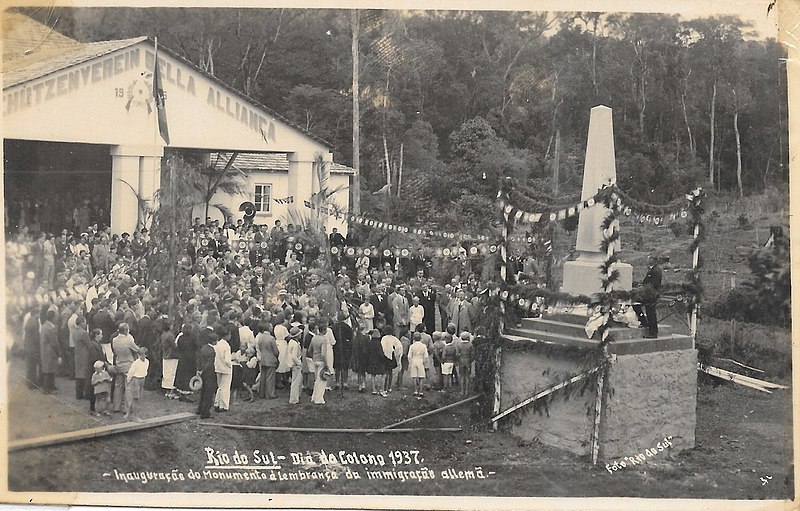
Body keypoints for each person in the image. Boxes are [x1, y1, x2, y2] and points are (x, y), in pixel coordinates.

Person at [111, 322, 140, 413]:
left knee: (118, 386)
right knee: (128, 387)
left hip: (119, 363)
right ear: (126, 330)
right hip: (128, 364)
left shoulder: (114, 340)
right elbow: (137, 349)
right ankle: (127, 408)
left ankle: (116, 406)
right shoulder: (128, 340)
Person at [633, 254, 663, 338]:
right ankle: (644, 322)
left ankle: (653, 332)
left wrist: (644, 288)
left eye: (649, 259)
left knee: (651, 313)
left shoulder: (656, 270)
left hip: (651, 294)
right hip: (648, 293)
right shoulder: (652, 269)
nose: (647, 260)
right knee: (637, 305)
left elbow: (654, 284)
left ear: (653, 260)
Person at [196, 327, 219, 419]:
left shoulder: (203, 348)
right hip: (209, 373)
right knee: (209, 393)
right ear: (214, 341)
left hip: (203, 372)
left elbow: (199, 360)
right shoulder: (212, 351)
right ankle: (205, 413)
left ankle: (200, 409)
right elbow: (210, 364)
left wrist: (199, 370)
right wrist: (204, 370)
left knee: (203, 392)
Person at [125, 347, 149, 421]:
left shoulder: (147, 361)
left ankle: (128, 414)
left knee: (137, 398)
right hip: (135, 380)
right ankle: (136, 417)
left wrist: (143, 378)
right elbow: (130, 373)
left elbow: (145, 370)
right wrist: (128, 381)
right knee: (136, 399)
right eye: (140, 355)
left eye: (143, 355)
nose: (141, 356)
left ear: (146, 355)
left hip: (142, 379)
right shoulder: (135, 363)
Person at [256, 322, 279, 399]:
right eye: (271, 327)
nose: (272, 328)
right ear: (268, 328)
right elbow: (275, 351)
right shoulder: (271, 338)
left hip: (263, 359)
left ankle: (261, 393)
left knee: (263, 377)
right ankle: (270, 394)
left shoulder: (260, 338)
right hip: (271, 359)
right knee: (270, 378)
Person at [39, 309, 60, 392]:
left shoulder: (45, 325)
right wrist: (58, 352)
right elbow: (54, 342)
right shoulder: (50, 328)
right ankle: (47, 387)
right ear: (52, 318)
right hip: (50, 351)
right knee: (49, 369)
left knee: (50, 368)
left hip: (45, 350)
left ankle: (51, 385)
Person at [308, 323, 329, 405]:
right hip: (321, 361)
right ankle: (319, 398)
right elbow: (323, 354)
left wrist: (313, 357)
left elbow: (309, 350)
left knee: (317, 380)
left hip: (315, 360)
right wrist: (326, 364)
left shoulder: (314, 337)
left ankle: (314, 397)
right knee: (322, 381)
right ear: (323, 330)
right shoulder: (324, 339)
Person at [214, 326, 233, 412]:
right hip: (225, 369)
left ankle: (217, 403)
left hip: (218, 367)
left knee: (220, 387)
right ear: (226, 335)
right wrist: (230, 365)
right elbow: (227, 360)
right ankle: (224, 406)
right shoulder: (226, 346)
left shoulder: (218, 344)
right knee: (225, 387)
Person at [160, 322, 179, 399]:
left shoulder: (163, 334)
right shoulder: (170, 335)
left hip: (165, 355)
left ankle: (167, 391)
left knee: (166, 373)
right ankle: (171, 391)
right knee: (172, 373)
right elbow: (174, 346)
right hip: (172, 356)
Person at [286, 327, 303, 404]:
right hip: (295, 364)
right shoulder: (295, 344)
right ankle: (294, 399)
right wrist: (299, 363)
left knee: (295, 381)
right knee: (295, 382)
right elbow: (294, 356)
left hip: (292, 364)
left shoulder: (292, 342)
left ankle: (296, 397)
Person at [408, 332, 428, 398]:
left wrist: (410, 362)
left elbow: (409, 356)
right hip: (420, 360)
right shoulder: (423, 346)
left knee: (414, 376)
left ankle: (415, 390)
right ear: (420, 338)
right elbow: (426, 355)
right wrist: (424, 362)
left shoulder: (412, 346)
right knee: (421, 376)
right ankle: (421, 391)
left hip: (414, 360)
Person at [455, 332, 474, 397]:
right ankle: (467, 391)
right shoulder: (470, 345)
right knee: (467, 376)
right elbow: (472, 354)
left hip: (461, 360)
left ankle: (462, 391)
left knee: (462, 376)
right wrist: (470, 360)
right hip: (468, 360)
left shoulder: (459, 345)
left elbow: (457, 354)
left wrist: (458, 359)